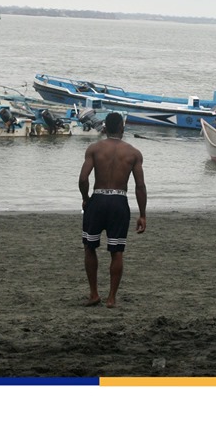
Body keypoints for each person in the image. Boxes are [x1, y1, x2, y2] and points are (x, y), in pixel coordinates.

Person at [78, 112, 147, 308]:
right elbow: (140, 186)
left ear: (105, 128)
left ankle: (94, 294)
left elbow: (83, 179)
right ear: (122, 129)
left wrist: (86, 199)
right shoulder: (133, 153)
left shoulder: (94, 149)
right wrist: (142, 214)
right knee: (116, 251)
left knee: (90, 247)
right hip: (119, 201)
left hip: (98, 199)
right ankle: (111, 298)